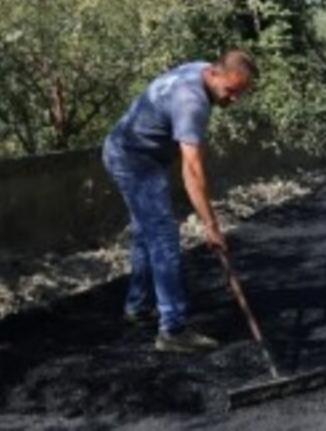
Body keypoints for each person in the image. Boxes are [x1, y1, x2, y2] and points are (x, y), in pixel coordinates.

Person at [102, 49, 257, 353]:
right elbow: (192, 171)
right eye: (230, 91)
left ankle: (137, 307)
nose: (234, 99)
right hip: (133, 159)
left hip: (136, 153)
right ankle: (172, 330)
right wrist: (211, 226)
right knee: (163, 236)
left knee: (146, 232)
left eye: (240, 93)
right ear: (214, 75)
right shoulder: (192, 102)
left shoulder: (202, 70)